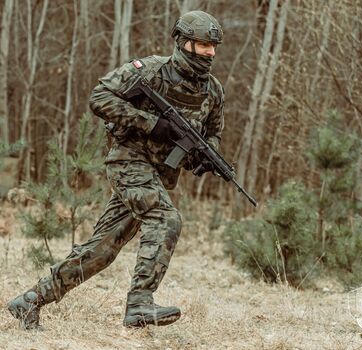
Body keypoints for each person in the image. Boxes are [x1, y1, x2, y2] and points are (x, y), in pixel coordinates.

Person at [8, 10, 224, 330]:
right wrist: (151, 123)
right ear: (183, 42)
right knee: (166, 219)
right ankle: (140, 303)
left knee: (102, 250)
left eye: (214, 46)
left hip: (157, 175)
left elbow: (213, 133)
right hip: (127, 163)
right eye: (204, 45)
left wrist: (205, 157)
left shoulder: (213, 90)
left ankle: (30, 300)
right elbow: (100, 98)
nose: (210, 52)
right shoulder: (151, 71)